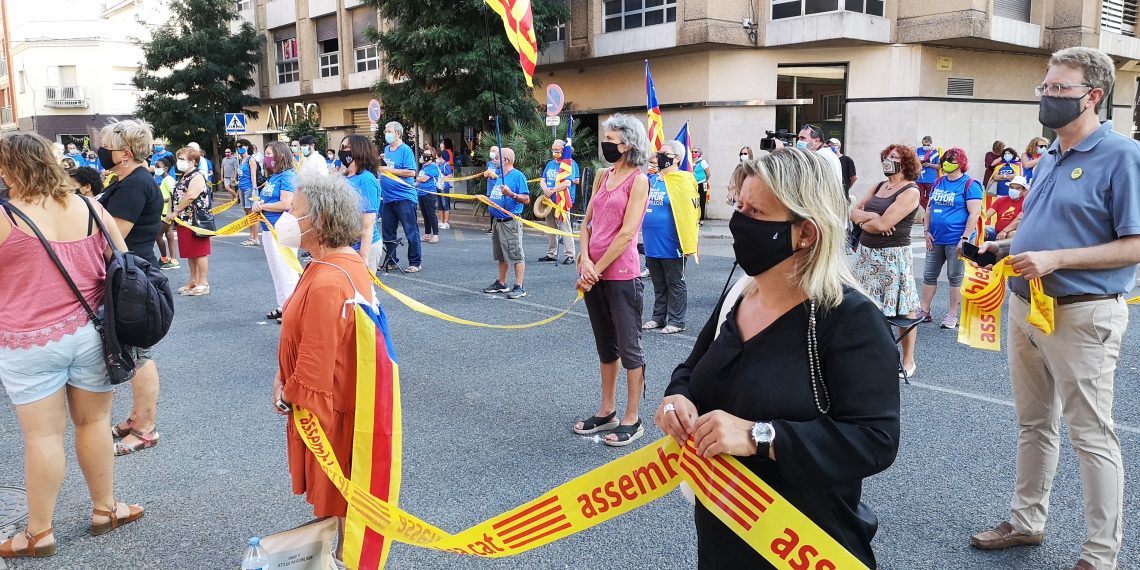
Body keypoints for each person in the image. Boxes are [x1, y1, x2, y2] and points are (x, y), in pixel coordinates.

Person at [654, 148, 900, 569]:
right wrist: (677, 399)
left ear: (806, 233)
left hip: (805, 545)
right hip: (722, 532)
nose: (739, 222)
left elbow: (875, 440)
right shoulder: (740, 296)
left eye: (756, 213)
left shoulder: (850, 319)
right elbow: (692, 370)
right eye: (739, 207)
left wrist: (759, 437)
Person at [971, 47, 1140, 570]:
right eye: (1045, 87)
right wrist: (1001, 246)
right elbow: (1043, 228)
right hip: (1027, 305)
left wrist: (1057, 258)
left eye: (1059, 88)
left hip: (1083, 313)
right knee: (1033, 423)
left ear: (1093, 96)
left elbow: (1135, 244)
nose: (1047, 96)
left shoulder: (1123, 156)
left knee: (1091, 435)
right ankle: (1026, 521)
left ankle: (1100, 555)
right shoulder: (1049, 154)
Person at [0, 132, 145, 559]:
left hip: (27, 341)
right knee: (94, 423)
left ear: (9, 169)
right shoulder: (89, 207)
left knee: (43, 437)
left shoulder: (6, 216)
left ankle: (39, 533)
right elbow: (122, 262)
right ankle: (106, 509)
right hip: (91, 334)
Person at [271, 172, 378, 563]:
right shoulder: (331, 265)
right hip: (341, 399)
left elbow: (315, 367)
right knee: (344, 494)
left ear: (320, 221)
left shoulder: (329, 278)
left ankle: (345, 559)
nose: (287, 217)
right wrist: (281, 374)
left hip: (331, 408)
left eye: (295, 211)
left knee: (342, 492)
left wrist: (287, 392)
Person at [573, 114, 651, 447]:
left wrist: (597, 268)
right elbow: (586, 222)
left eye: (611, 140)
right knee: (605, 345)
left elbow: (627, 233)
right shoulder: (602, 176)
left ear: (629, 144)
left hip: (621, 275)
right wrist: (585, 260)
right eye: (605, 138)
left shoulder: (639, 181)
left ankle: (633, 417)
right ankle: (607, 410)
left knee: (629, 346)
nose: (605, 144)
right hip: (594, 272)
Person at [95, 119, 165, 457]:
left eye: (106, 146)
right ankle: (137, 417)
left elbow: (113, 240)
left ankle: (145, 429)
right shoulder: (127, 181)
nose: (101, 151)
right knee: (133, 352)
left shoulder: (134, 186)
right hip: (130, 275)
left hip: (130, 279)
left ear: (124, 153)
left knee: (139, 355)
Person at [850, 144, 922, 378]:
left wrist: (871, 221)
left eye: (895, 157)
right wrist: (870, 216)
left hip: (892, 257)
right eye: (887, 156)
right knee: (867, 306)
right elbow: (853, 212)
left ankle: (908, 360)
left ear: (906, 163)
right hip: (866, 255)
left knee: (904, 309)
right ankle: (872, 355)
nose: (888, 161)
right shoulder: (879, 186)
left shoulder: (910, 191)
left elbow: (883, 225)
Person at [917, 147, 983, 329]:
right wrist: (926, 231)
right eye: (945, 159)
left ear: (961, 163)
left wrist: (965, 238)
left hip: (957, 239)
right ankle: (924, 310)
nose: (946, 163)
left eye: (951, 160)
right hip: (935, 238)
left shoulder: (970, 184)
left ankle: (952, 314)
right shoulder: (939, 182)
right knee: (929, 275)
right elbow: (929, 208)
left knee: (955, 276)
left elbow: (974, 213)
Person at [640, 139, 698, 335]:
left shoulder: (682, 181)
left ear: (678, 158)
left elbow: (691, 214)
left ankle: (677, 321)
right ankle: (658, 317)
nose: (660, 157)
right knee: (658, 283)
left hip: (672, 242)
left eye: (665, 154)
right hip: (651, 241)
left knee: (675, 282)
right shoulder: (652, 180)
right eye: (659, 153)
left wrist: (689, 242)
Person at [253, 141, 300, 323]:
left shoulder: (288, 176)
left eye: (269, 154)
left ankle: (293, 309)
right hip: (269, 229)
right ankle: (283, 305)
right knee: (276, 270)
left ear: (280, 155)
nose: (266, 157)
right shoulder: (274, 177)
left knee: (286, 270)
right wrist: (260, 203)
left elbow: (286, 203)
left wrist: (263, 206)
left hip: (282, 228)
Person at [480, 147, 531, 299]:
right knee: (502, 254)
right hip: (498, 222)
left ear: (505, 160)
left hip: (510, 222)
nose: (493, 160)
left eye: (496, 158)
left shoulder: (518, 176)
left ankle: (519, 286)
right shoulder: (500, 175)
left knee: (516, 254)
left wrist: (511, 194)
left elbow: (526, 199)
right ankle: (502, 283)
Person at [165, 146, 212, 296]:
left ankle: (203, 283)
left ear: (192, 161)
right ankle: (193, 280)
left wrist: (175, 211)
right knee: (190, 252)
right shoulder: (184, 176)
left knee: (200, 252)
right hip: (184, 221)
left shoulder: (197, 176)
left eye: (182, 159)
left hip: (196, 220)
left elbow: (191, 195)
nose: (178, 162)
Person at [378, 121, 422, 273]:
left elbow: (411, 172)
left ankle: (415, 262)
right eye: (385, 131)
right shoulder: (387, 149)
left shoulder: (405, 150)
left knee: (411, 231)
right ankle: (390, 260)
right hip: (388, 198)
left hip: (404, 197)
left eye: (389, 131)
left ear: (397, 133)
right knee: (388, 232)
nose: (386, 134)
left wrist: (388, 170)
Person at [340, 135, 382, 270]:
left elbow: (367, 222)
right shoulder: (345, 177)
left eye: (345, 147)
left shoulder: (366, 180)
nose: (342, 151)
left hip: (362, 246)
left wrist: (363, 256)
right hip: (347, 245)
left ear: (358, 150)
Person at [538, 138, 579, 264]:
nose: (554, 152)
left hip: (562, 200)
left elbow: (568, 182)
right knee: (551, 227)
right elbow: (543, 179)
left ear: (564, 150)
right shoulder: (550, 164)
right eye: (553, 150)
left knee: (565, 227)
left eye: (557, 150)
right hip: (549, 200)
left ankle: (570, 254)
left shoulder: (569, 164)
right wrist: (546, 190)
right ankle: (551, 253)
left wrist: (554, 190)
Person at [153, 158, 179, 270]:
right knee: (169, 234)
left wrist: (169, 211)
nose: (156, 169)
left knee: (158, 235)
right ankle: (173, 260)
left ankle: (164, 259)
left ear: (166, 168)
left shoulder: (168, 180)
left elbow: (173, 196)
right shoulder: (166, 180)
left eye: (158, 167)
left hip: (165, 213)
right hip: (166, 213)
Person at [984, 175, 1028, 241]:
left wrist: (1004, 231)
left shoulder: (1025, 203)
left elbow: (1018, 220)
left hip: (1011, 233)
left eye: (1018, 188)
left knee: (1013, 234)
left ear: (1023, 190)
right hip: (996, 232)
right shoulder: (1001, 200)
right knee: (980, 232)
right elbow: (986, 215)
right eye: (1012, 187)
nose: (1014, 190)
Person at [415, 147, 443, 244]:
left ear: (432, 156)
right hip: (421, 193)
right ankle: (427, 234)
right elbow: (419, 180)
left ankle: (435, 235)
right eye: (424, 154)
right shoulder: (424, 166)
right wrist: (414, 183)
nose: (424, 156)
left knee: (431, 214)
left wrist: (418, 179)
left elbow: (423, 179)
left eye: (427, 154)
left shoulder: (433, 166)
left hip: (429, 193)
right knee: (425, 215)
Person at [237, 140, 261, 247]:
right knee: (247, 213)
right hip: (242, 189)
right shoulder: (241, 160)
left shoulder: (251, 160)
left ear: (246, 147)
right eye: (237, 147)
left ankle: (255, 237)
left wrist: (254, 189)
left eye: (240, 146)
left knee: (252, 213)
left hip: (249, 189)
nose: (239, 148)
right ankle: (251, 236)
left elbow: (253, 175)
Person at [916, 135, 941, 210]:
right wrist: (919, 164)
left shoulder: (934, 152)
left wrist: (929, 165)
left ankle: (928, 213)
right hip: (919, 179)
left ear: (931, 144)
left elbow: (939, 166)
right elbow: (913, 162)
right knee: (920, 198)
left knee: (930, 198)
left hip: (931, 179)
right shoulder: (917, 151)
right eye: (924, 144)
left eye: (927, 145)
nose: (926, 146)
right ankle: (924, 212)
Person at [692, 147, 711, 221]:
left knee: (702, 202)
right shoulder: (691, 162)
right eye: (692, 151)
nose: (694, 153)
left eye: (696, 152)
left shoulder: (703, 162)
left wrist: (704, 180)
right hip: (693, 185)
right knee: (694, 201)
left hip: (702, 184)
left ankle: (701, 219)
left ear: (700, 153)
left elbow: (708, 173)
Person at [435, 152, 453, 230]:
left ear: (441, 157)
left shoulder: (446, 165)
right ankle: (441, 221)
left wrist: (442, 178)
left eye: (437, 157)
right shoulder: (437, 165)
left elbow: (450, 176)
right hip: (438, 186)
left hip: (444, 187)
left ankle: (445, 222)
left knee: (445, 204)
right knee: (440, 205)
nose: (436, 159)